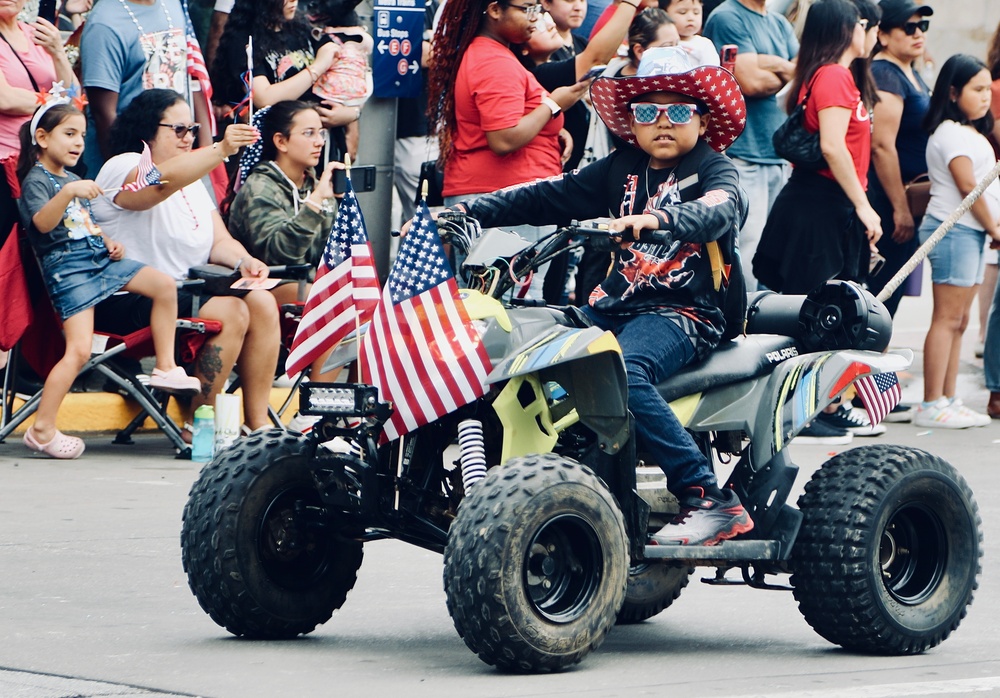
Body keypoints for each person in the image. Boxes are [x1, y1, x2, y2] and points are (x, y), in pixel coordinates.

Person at [428, 46, 753, 546]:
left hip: (683, 312)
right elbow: (545, 195)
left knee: (624, 370)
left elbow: (717, 210)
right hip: (610, 306)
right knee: (515, 341)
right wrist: (470, 211)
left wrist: (657, 220)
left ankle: (707, 496)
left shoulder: (716, 171)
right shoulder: (619, 167)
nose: (662, 122)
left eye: (679, 110)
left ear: (703, 119)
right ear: (633, 120)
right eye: (648, 111)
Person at [89, 88, 280, 437]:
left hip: (184, 294)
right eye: (178, 130)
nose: (189, 137)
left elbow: (218, 241)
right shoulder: (124, 165)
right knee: (233, 312)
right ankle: (200, 422)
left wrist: (244, 259)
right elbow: (156, 187)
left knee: (264, 302)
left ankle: (258, 422)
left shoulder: (193, 179)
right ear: (147, 130)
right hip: (127, 296)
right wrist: (220, 149)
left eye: (192, 129)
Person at [16, 99, 201, 459]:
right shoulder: (38, 180)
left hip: (99, 262)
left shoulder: (71, 179)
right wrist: (70, 192)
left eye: (82, 135)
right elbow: (41, 223)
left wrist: (108, 241)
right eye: (69, 134)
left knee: (163, 285)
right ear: (41, 137)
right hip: (70, 275)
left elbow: (85, 223)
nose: (78, 143)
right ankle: (41, 428)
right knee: (79, 351)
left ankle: (165, 366)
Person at [752, 0, 882, 444]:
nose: (872, 32)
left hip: (827, 205)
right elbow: (832, 147)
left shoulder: (836, 74)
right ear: (847, 27)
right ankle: (810, 409)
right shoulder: (833, 75)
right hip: (818, 204)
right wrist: (864, 205)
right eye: (866, 23)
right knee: (818, 312)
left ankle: (825, 405)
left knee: (829, 307)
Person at [428, 0, 591, 299]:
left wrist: (552, 127)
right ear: (494, 10)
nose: (536, 17)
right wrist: (555, 104)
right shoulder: (493, 61)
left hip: (503, 197)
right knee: (504, 304)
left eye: (537, 9)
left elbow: (510, 119)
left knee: (498, 301)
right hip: (504, 200)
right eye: (527, 8)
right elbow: (503, 139)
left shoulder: (493, 54)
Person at [227, 100, 342, 386]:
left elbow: (331, 251)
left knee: (366, 299)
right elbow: (279, 254)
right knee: (332, 301)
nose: (319, 142)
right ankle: (318, 404)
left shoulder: (312, 184)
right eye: (309, 134)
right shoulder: (260, 186)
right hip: (258, 286)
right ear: (281, 141)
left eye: (321, 133)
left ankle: (356, 409)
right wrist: (315, 203)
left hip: (306, 283)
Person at [913, 55, 998, 430]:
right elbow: (968, 187)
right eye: (976, 90)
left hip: (973, 232)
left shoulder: (972, 132)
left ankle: (948, 398)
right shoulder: (949, 132)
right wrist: (996, 229)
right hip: (955, 229)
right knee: (947, 319)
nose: (985, 97)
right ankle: (931, 401)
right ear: (952, 91)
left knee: (961, 321)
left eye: (986, 89)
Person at [703, 0, 798, 292]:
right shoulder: (727, 16)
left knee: (774, 251)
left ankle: (768, 323)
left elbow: (804, 72)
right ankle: (743, 325)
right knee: (747, 246)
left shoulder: (779, 23)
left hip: (779, 155)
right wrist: (784, 68)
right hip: (743, 152)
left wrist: (766, 62)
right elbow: (751, 81)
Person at [211, 0, 360, 164]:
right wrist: (317, 67)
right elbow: (264, 97)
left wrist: (352, 113)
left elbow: (349, 79)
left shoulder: (303, 28)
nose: (293, 1)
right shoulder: (244, 40)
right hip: (275, 149)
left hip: (320, 141)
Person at [80, 0, 213, 173]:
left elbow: (188, 75)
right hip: (133, 166)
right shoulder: (104, 23)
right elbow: (104, 114)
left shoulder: (172, 5)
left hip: (179, 159)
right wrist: (130, 177)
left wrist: (206, 146)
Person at [864, 0, 932, 318]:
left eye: (923, 26)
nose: (918, 33)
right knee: (883, 297)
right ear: (884, 35)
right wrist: (900, 209)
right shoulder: (885, 73)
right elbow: (882, 146)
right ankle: (873, 366)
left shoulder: (910, 71)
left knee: (895, 293)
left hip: (910, 197)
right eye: (909, 27)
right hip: (891, 199)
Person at [662, 0, 718, 67]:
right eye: (682, 12)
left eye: (696, 13)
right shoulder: (660, 42)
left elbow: (712, 71)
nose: (691, 18)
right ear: (664, 14)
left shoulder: (704, 45)